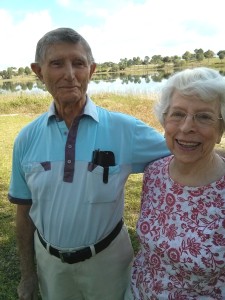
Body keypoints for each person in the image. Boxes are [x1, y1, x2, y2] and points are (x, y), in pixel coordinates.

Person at [8, 27, 170, 300]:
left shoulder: (124, 129)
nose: (69, 74)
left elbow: (186, 151)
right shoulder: (26, 138)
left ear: (91, 70)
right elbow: (24, 215)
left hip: (110, 262)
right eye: (57, 63)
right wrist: (28, 274)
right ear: (38, 71)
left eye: (78, 63)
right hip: (51, 266)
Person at [126, 67, 225, 299]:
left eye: (204, 116)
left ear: (221, 130)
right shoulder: (154, 173)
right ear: (164, 121)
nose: (186, 127)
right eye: (178, 114)